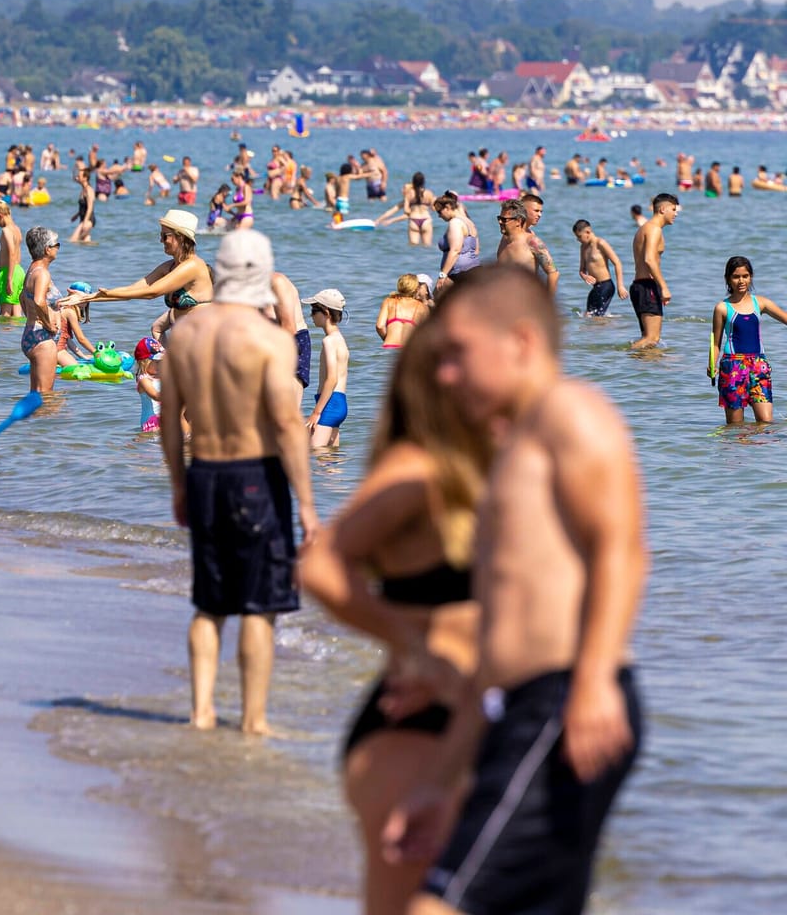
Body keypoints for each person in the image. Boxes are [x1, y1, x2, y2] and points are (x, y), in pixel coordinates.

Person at [382, 266, 646, 915]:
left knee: (437, 905)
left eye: (458, 356)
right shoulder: (508, 452)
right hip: (518, 703)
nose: (445, 376)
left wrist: (590, 684)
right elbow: (500, 643)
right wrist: (440, 783)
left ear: (521, 343)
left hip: (563, 699)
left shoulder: (570, 413)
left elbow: (623, 549)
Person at [299, 323, 487, 915]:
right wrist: (414, 642)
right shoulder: (416, 471)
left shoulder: (489, 474)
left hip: (470, 719)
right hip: (415, 722)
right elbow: (321, 564)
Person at [158, 230, 316, 734]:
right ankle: (253, 718)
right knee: (259, 605)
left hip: (204, 471)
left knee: (209, 603)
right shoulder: (270, 340)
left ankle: (201, 711)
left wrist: (179, 485)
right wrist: (308, 506)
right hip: (256, 476)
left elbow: (166, 422)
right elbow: (289, 425)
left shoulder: (185, 335)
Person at [62, 209, 211, 326]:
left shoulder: (193, 266)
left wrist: (100, 296)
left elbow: (152, 293)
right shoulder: (168, 267)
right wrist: (89, 297)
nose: (161, 240)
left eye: (165, 235)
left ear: (180, 237)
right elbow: (132, 289)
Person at [710, 256, 787, 425]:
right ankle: (738, 452)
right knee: (736, 426)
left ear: (750, 277)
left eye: (745, 276)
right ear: (728, 279)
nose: (741, 281)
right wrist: (712, 364)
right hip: (732, 368)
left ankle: (757, 450)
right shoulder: (722, 308)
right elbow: (715, 343)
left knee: (766, 422)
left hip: (759, 366)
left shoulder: (760, 303)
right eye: (736, 277)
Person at [628, 193, 678, 349]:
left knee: (648, 342)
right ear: (663, 209)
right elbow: (649, 259)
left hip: (639, 285)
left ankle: (641, 369)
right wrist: (663, 286)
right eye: (673, 209)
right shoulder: (654, 229)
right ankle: (622, 358)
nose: (676, 214)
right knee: (652, 339)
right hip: (647, 286)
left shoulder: (644, 229)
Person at [17, 227, 62, 395]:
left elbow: (22, 298)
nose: (58, 248)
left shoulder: (31, 270)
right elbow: (38, 301)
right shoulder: (42, 273)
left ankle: (35, 421)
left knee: (36, 394)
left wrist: (33, 318)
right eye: (56, 244)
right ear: (46, 249)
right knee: (47, 394)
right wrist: (48, 324)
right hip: (42, 338)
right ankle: (47, 421)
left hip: (31, 334)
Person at [306, 289, 350, 448]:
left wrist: (316, 412)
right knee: (330, 462)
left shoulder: (329, 341)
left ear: (325, 312)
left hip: (329, 404)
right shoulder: (340, 340)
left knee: (314, 453)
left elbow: (332, 379)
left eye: (314, 311)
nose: (311, 315)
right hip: (340, 403)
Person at [573, 219, 624, 317]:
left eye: (579, 237)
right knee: (588, 316)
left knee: (597, 317)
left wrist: (620, 286)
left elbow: (617, 263)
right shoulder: (583, 248)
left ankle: (615, 329)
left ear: (588, 232)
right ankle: (601, 330)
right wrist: (585, 276)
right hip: (596, 288)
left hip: (606, 286)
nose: (578, 240)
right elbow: (582, 270)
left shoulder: (601, 243)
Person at [434, 193, 480, 291]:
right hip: (472, 268)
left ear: (447, 207)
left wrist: (442, 275)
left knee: (438, 300)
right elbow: (476, 250)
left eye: (439, 212)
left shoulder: (455, 223)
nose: (439, 216)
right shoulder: (469, 222)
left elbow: (455, 250)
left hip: (459, 272)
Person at [376, 274, 428, 349]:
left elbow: (379, 326)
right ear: (416, 289)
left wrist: (386, 338)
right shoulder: (422, 307)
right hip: (408, 351)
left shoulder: (389, 301)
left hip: (389, 346)